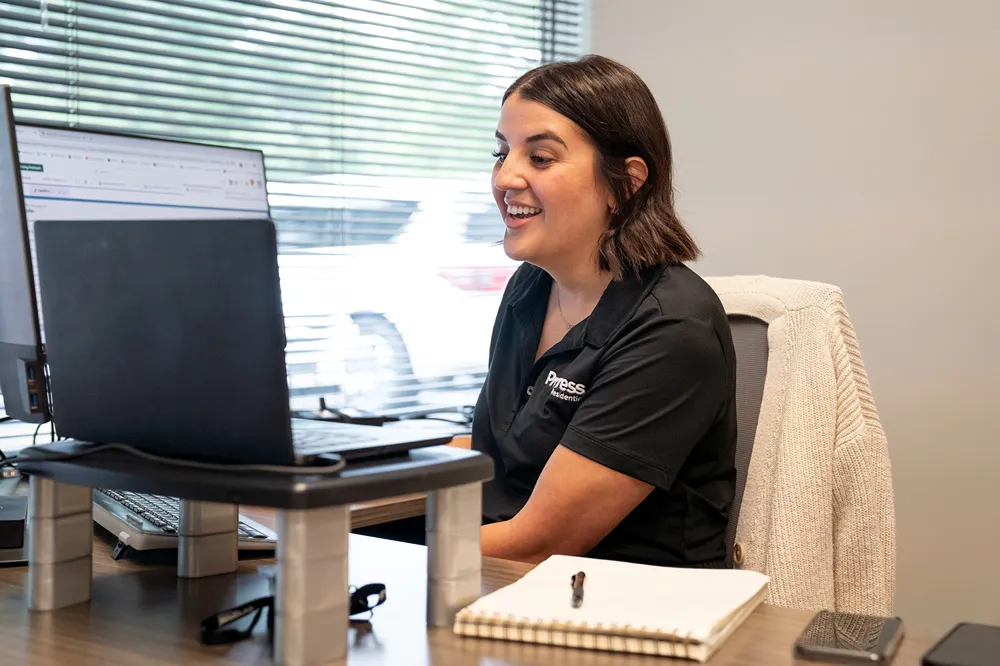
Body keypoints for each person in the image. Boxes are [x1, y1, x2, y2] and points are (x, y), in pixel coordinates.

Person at [473, 54, 738, 568]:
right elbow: (498, 447)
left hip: (621, 613)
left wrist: (364, 557)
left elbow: (538, 543)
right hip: (507, 583)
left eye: (541, 158)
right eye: (501, 153)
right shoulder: (531, 287)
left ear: (626, 182)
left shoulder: (671, 327)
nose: (505, 178)